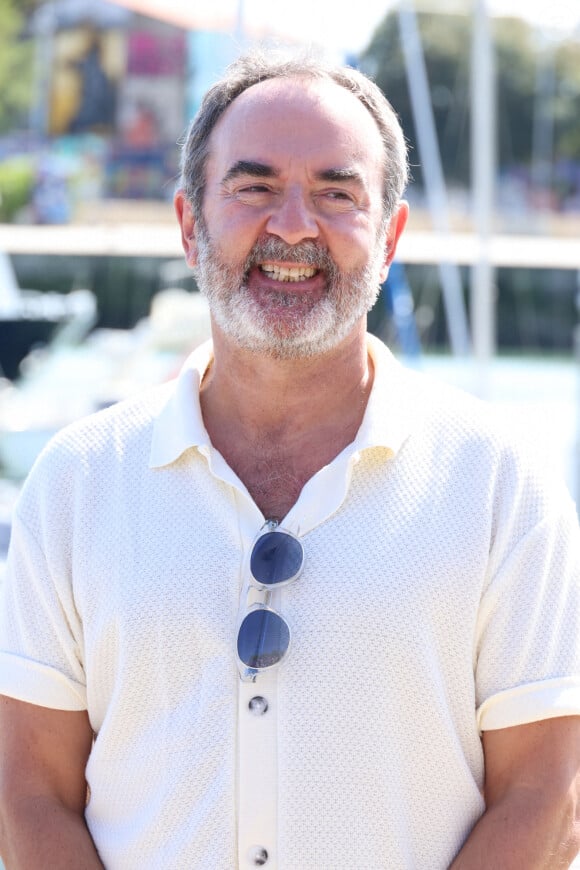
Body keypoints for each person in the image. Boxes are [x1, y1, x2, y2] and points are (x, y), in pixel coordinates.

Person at [0, 50, 579, 870]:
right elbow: (29, 793)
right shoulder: (76, 482)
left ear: (389, 237)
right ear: (189, 223)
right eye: (255, 186)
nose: (295, 226)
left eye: (338, 194)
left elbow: (546, 799)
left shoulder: (502, 488)